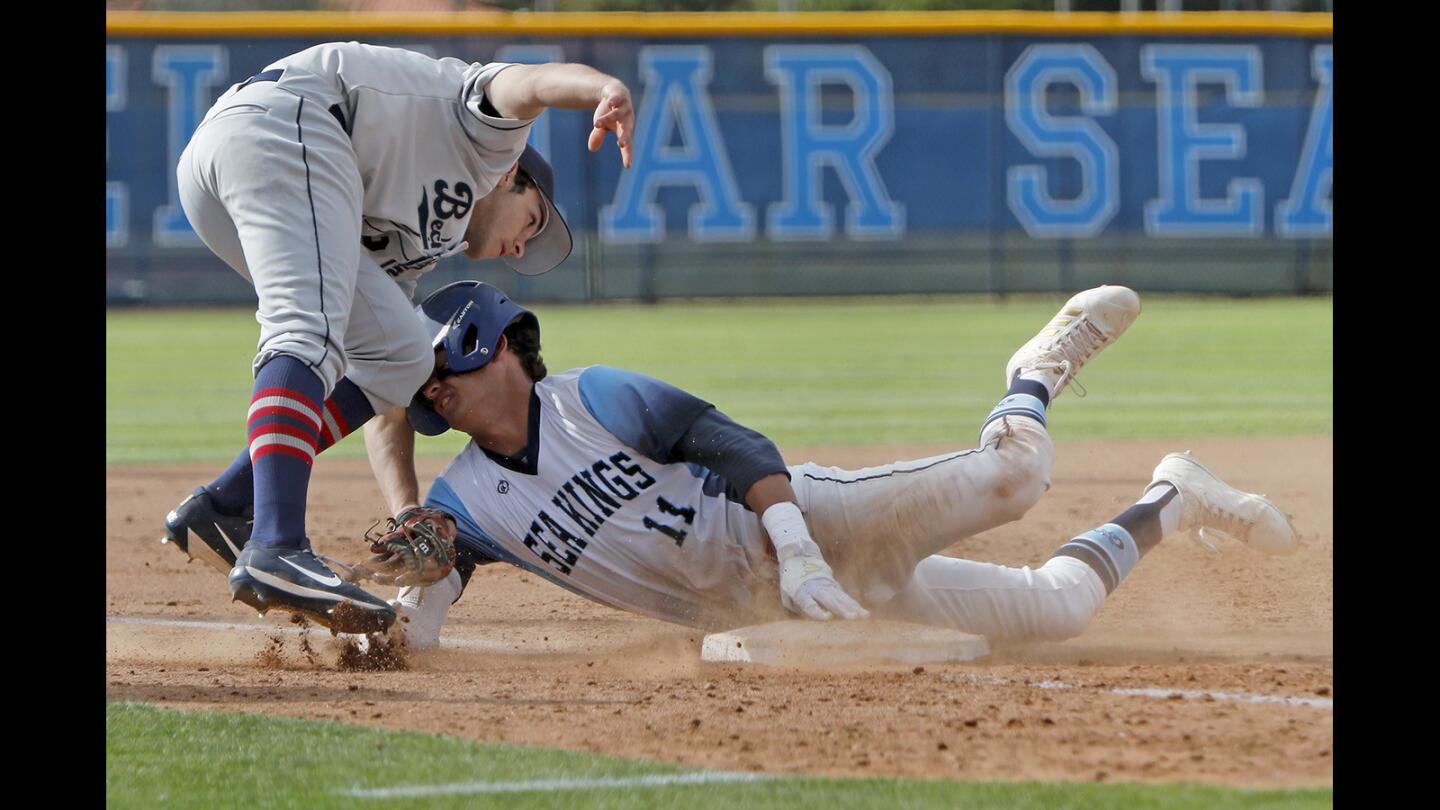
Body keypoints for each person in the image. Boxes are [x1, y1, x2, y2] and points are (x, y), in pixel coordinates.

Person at [366, 282, 1298, 649]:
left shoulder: (593, 396)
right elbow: (426, 616)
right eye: (424, 389)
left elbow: (739, 451)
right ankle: (1174, 496)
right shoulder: (464, 504)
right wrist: (404, 604)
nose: (432, 393)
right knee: (1054, 611)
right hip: (781, 617)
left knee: (1012, 480)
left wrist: (801, 550)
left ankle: (1032, 376)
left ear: (495, 347)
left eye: (441, 369)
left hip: (812, 525)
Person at [156, 41, 636, 633]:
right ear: (513, 177)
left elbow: (385, 393)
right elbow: (534, 81)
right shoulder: (490, 142)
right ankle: (276, 543)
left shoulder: (416, 244)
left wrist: (407, 510)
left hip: (230, 166)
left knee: (401, 354)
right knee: (306, 327)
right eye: (531, 221)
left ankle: (228, 506)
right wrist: (601, 88)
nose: (521, 246)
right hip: (284, 125)